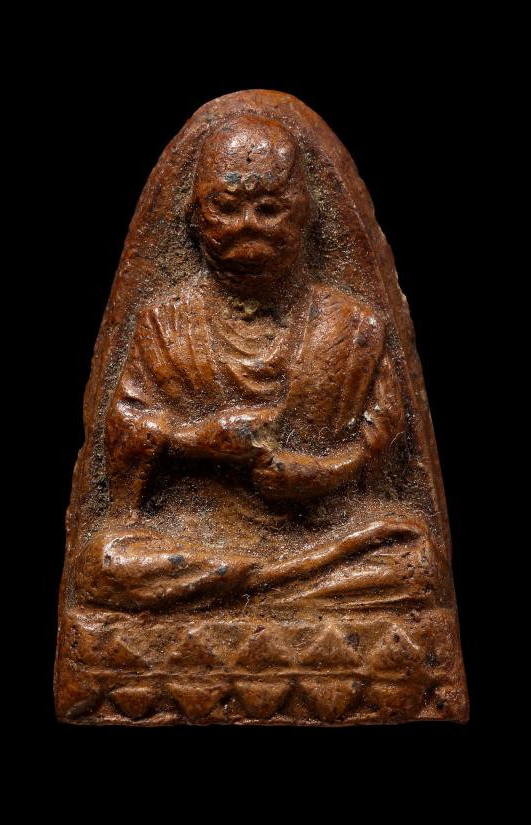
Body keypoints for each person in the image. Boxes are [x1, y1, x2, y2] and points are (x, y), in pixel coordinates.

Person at [76, 114, 435, 612]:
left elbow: (384, 445)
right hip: (197, 534)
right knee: (103, 561)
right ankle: (286, 582)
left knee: (416, 557)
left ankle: (256, 585)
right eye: (225, 207)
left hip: (323, 529)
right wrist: (196, 441)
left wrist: (323, 472)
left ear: (305, 214)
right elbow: (123, 432)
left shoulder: (354, 328)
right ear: (194, 217)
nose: (247, 224)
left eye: (268, 208)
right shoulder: (164, 323)